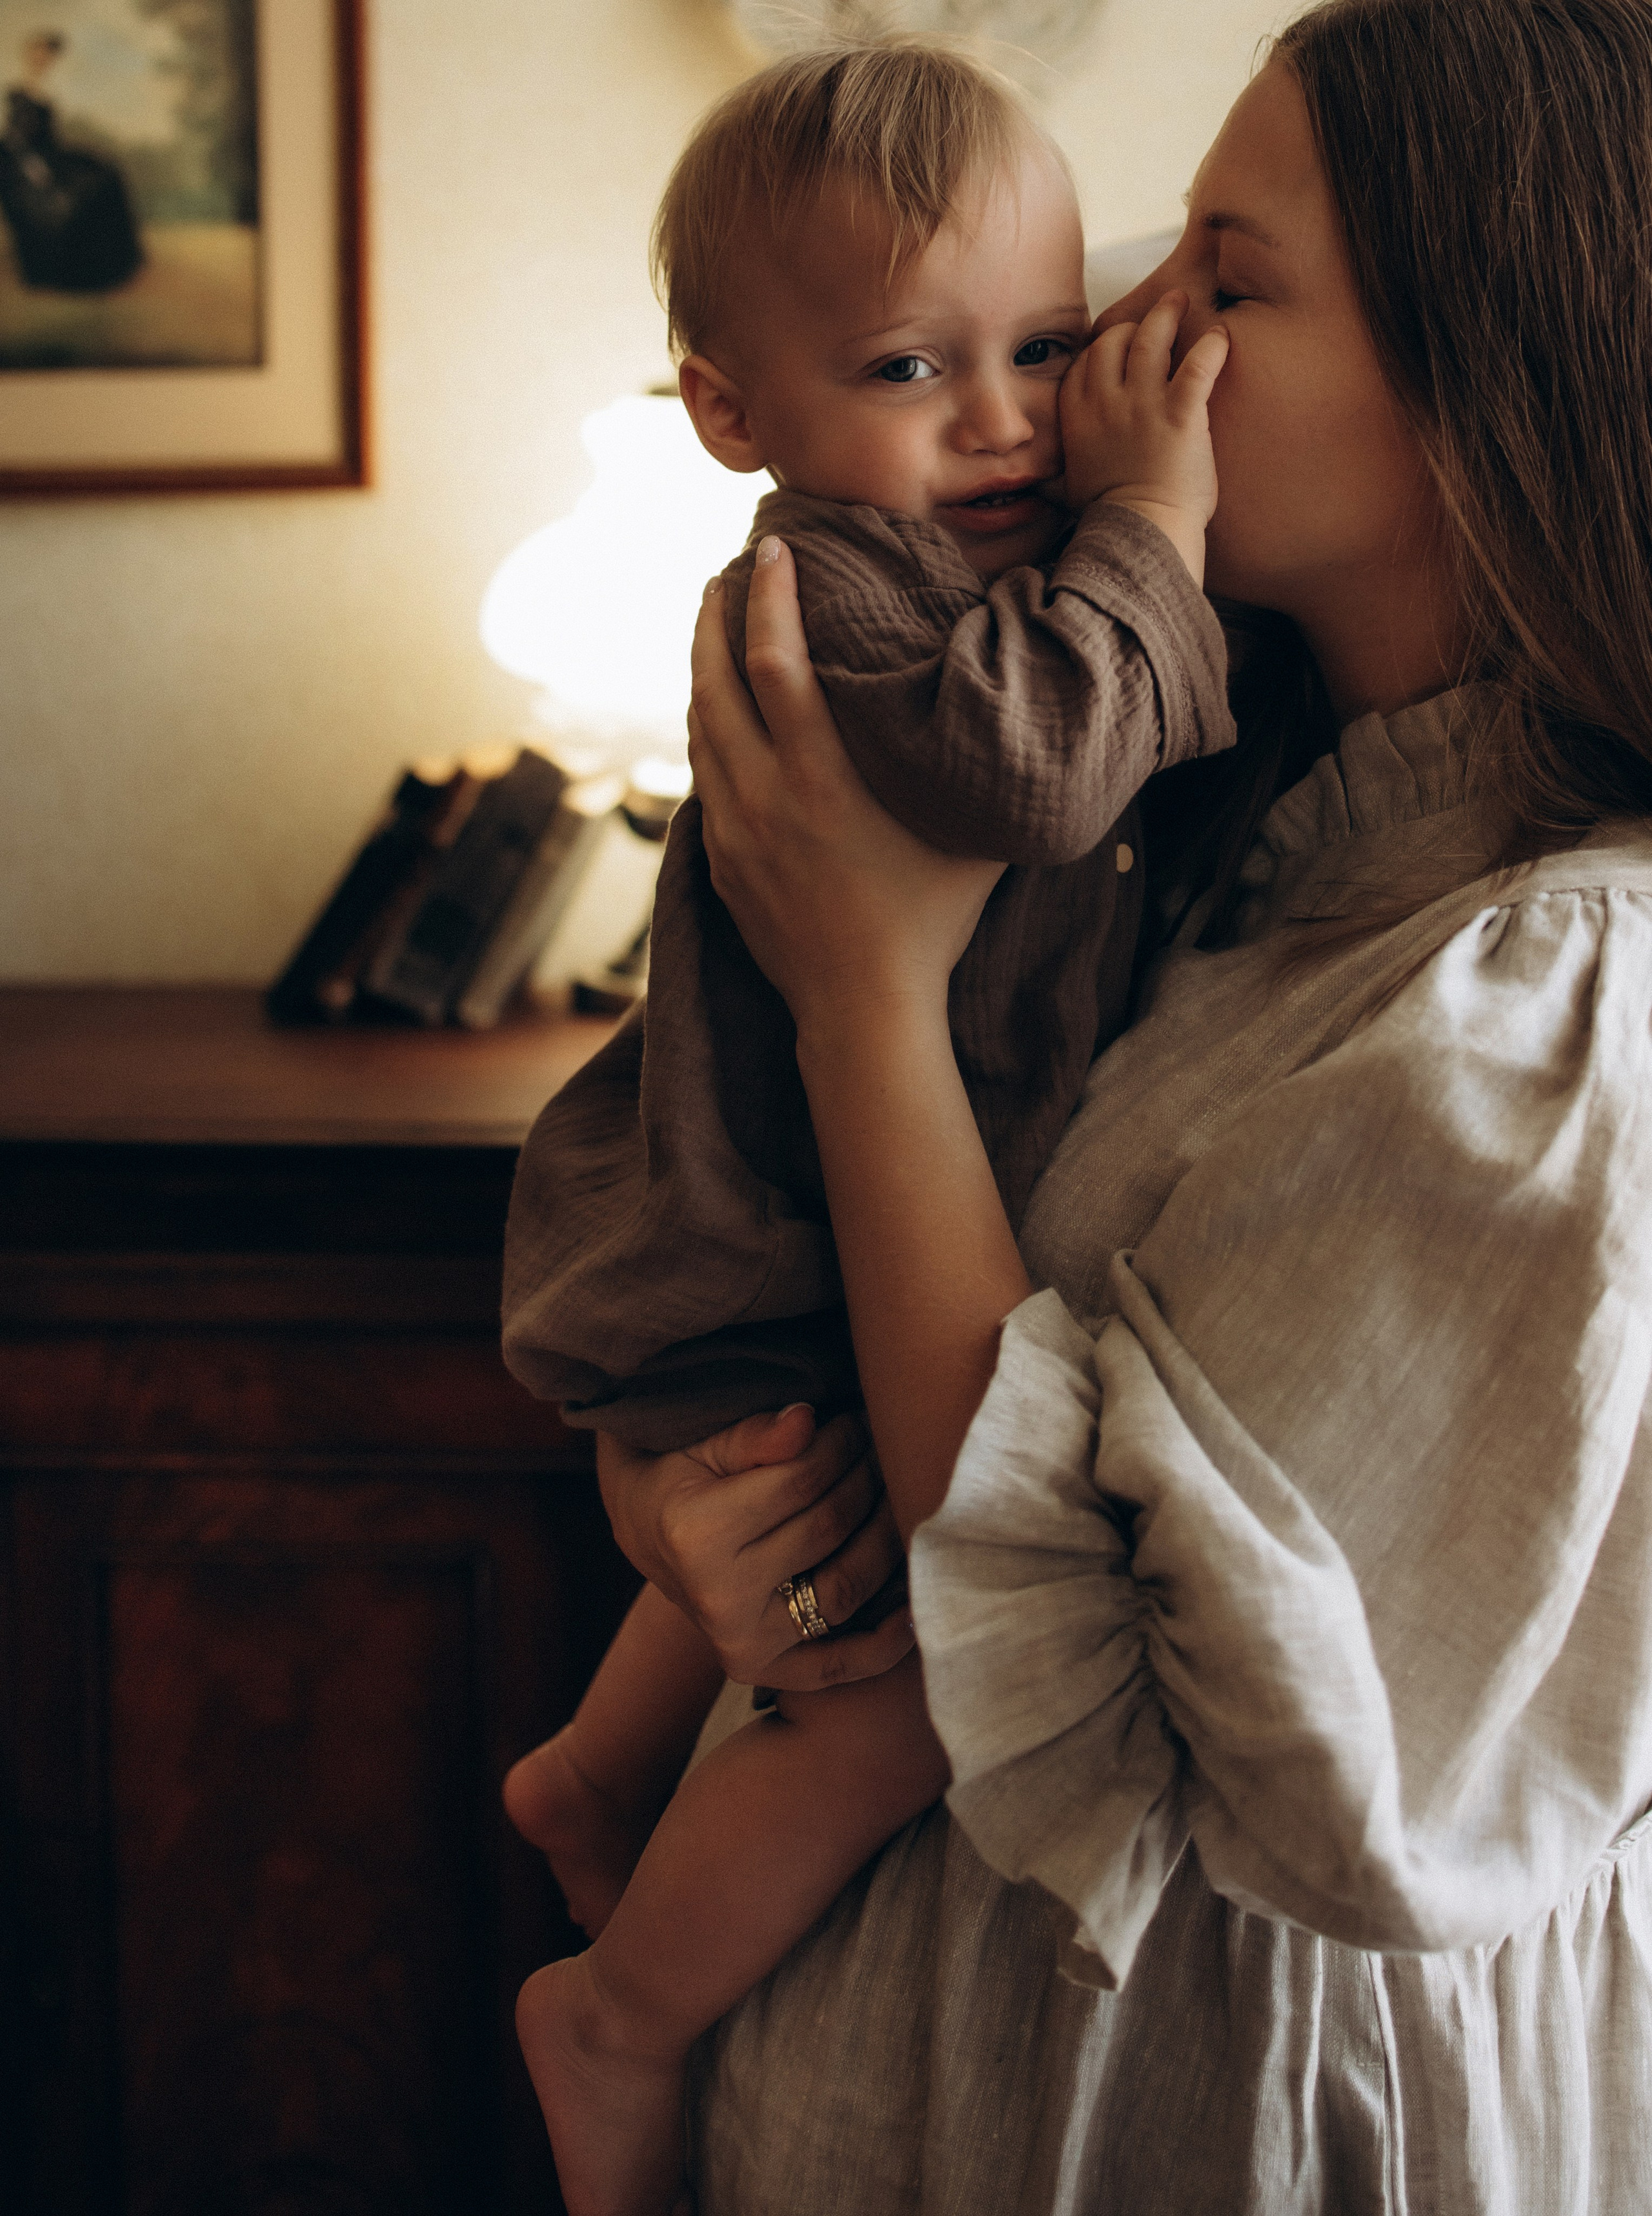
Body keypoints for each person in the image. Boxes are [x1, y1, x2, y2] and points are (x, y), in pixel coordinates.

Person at [565, 0, 1652, 2208]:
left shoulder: (1561, 996)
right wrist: (684, 1508)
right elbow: (771, 1223)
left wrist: (870, 990)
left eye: (1225, 285)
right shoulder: (1229, 822)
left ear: (1493, 389)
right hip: (897, 2073)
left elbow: (1120, 1690)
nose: (1118, 349)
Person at [501, 43, 1235, 2216]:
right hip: (766, 1230)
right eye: (915, 365)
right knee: (897, 1679)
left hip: (796, 1240)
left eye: (1045, 347)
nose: (1005, 417)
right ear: (733, 413)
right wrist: (1160, 520)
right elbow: (1035, 775)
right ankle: (619, 2013)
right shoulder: (849, 593)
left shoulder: (930, 546)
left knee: (780, 1489)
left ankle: (595, 1765)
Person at [0, 31, 142, 294]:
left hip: (52, 153)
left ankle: (112, 263)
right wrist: (34, 167)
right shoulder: (19, 89)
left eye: (48, 54)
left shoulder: (47, 88)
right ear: (29, 53)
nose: (43, 58)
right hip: (26, 160)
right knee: (76, 191)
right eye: (39, 52)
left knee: (106, 172)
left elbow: (52, 135)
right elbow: (15, 139)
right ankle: (60, 269)